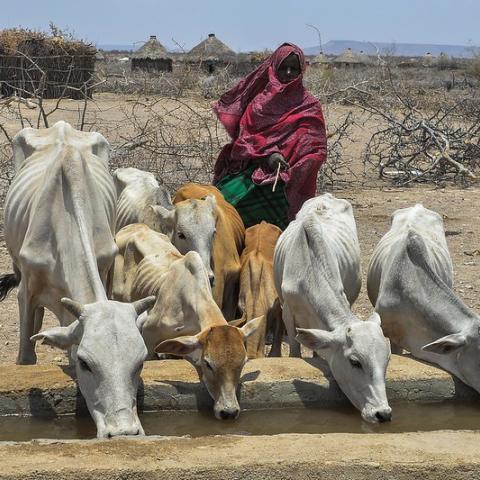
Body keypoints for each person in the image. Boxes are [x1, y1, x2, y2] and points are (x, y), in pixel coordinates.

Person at [212, 42, 327, 230]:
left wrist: (293, 167)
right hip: (250, 171)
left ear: (302, 70)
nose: (288, 73)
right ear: (273, 69)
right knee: (222, 208)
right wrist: (269, 156)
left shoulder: (309, 106)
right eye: (283, 68)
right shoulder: (259, 104)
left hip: (287, 181)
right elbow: (244, 141)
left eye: (294, 68)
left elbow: (316, 149)